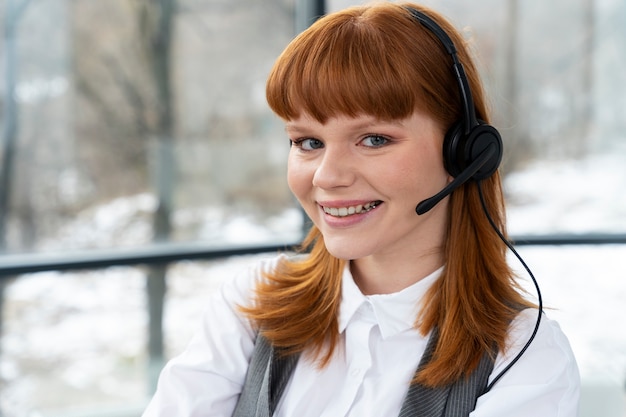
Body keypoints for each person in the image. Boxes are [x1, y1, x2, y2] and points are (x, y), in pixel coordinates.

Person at [142, 2, 580, 416]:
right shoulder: (253, 303)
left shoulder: (525, 355)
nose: (327, 177)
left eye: (374, 139)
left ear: (463, 153)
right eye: (307, 142)